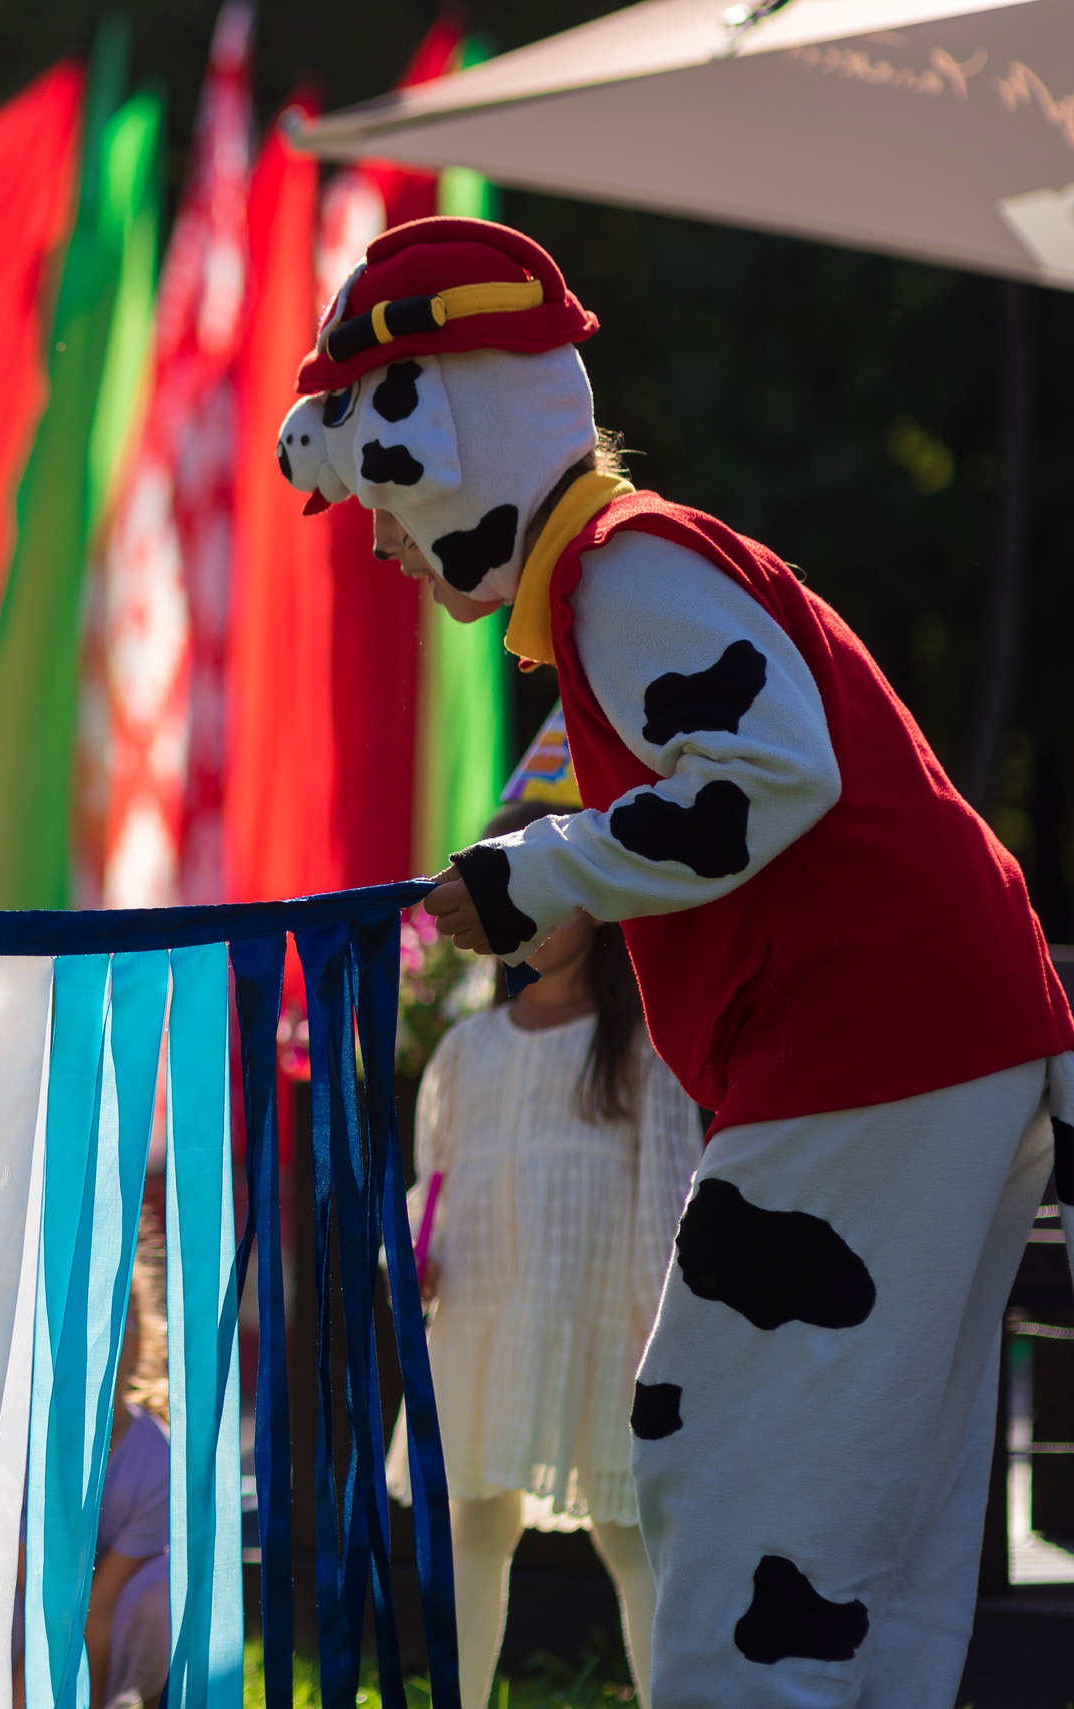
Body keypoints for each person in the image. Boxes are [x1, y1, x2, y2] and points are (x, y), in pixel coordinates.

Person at [273, 216, 1074, 1706]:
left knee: (739, 1476)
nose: (380, 546)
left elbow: (770, 776)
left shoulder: (623, 570)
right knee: (856, 1531)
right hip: (918, 1041)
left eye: (380, 502)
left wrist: (530, 874)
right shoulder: (627, 576)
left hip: (871, 1046)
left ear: (444, 446)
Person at [397, 800, 700, 1709]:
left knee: (630, 1534)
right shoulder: (465, 1050)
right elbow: (433, 1185)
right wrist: (414, 1258)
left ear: (596, 899)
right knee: (475, 1528)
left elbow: (670, 1202)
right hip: (482, 1322)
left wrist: (664, 1341)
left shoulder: (641, 1050)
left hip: (611, 1333)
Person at [0, 1239, 171, 1709]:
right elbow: (25, 1569)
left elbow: (96, 1607)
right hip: (15, 1576)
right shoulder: (14, 1443)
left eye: (108, 1334)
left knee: (157, 1603)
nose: (89, 1359)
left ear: (138, 1344)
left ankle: (151, 1695)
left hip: (110, 1594)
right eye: (69, 1339)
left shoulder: (155, 1458)